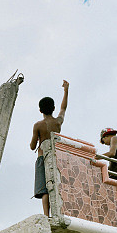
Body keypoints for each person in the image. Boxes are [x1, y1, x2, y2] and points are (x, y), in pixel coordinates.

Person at [30, 80, 69, 216]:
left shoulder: (38, 125)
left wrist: (37, 140)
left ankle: (47, 215)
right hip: (56, 156)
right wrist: (66, 90)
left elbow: (32, 146)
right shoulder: (58, 122)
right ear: (53, 108)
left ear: (40, 110)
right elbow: (63, 109)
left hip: (42, 157)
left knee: (44, 188)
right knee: (55, 185)